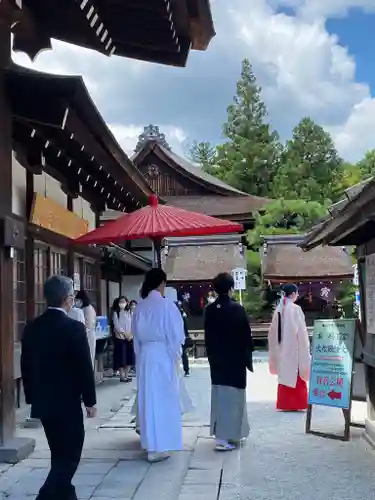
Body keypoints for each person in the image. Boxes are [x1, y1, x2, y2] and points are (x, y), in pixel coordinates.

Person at [21, 275, 97, 500]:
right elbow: (84, 367)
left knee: (59, 453)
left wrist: (31, 396)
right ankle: (45, 497)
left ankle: (66, 495)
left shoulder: (33, 327)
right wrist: (90, 401)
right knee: (71, 454)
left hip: (44, 402)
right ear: (67, 299)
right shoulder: (73, 327)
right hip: (67, 402)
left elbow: (26, 365)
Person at [132, 268, 185, 463]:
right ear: (162, 283)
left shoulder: (140, 306)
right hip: (162, 354)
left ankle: (150, 443)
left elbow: (135, 336)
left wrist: (140, 355)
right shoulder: (167, 306)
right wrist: (175, 355)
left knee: (148, 398)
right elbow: (176, 334)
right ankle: (160, 445)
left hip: (146, 355)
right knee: (163, 398)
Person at [204, 272, 253, 451]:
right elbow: (246, 336)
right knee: (234, 398)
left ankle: (222, 435)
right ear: (231, 288)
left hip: (217, 361)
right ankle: (230, 435)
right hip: (235, 361)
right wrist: (247, 355)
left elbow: (208, 338)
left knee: (220, 398)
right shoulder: (237, 308)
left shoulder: (209, 310)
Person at [268, 283, 311, 412]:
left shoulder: (279, 309)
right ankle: (297, 403)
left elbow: (272, 332)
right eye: (297, 293)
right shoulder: (295, 308)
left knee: (284, 373)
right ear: (292, 294)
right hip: (294, 347)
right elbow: (301, 332)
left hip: (281, 347)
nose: (297, 295)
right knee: (296, 373)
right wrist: (305, 347)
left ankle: (285, 403)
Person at [111, 296, 132, 383]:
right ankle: (122, 376)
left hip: (130, 338)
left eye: (124, 301)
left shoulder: (129, 312)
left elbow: (133, 324)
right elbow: (117, 326)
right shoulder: (116, 313)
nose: (122, 303)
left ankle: (126, 376)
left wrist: (130, 334)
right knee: (121, 358)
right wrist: (124, 334)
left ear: (127, 302)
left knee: (129, 358)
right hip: (120, 338)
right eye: (120, 302)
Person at [75, 290, 97, 368]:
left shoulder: (88, 308)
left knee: (89, 356)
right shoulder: (81, 309)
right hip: (84, 334)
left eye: (77, 300)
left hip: (88, 334)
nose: (76, 302)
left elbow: (89, 324)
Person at [176, 301, 192, 376]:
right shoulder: (183, 317)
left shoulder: (173, 317)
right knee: (183, 354)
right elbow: (186, 329)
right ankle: (186, 370)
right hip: (182, 337)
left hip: (176, 337)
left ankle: (175, 370)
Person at [128, 300, 137, 375]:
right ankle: (132, 366)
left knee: (135, 351)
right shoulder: (127, 314)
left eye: (134, 305)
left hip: (136, 335)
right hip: (129, 335)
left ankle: (134, 366)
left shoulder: (138, 313)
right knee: (131, 351)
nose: (133, 306)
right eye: (132, 305)